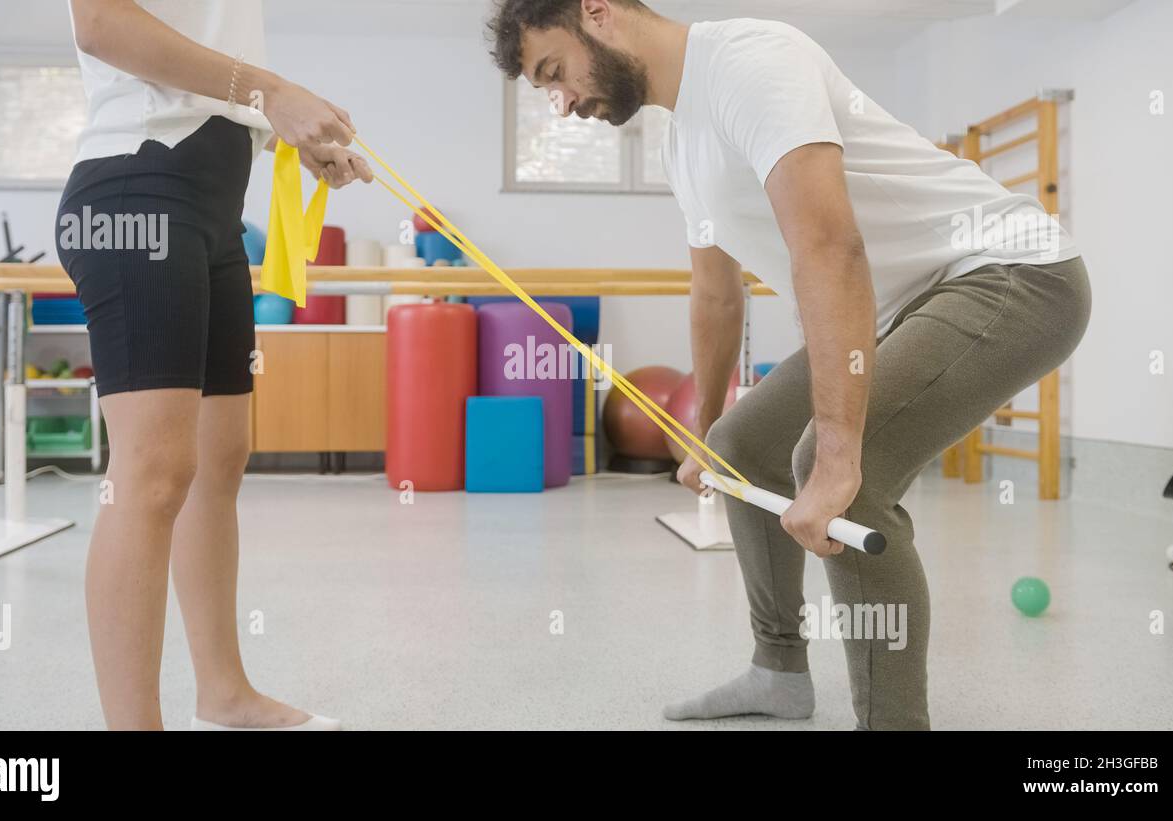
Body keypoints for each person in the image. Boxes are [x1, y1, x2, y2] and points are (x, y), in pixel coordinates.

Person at [485, 0, 1091, 730]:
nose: (563, 102)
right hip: (901, 304)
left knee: (840, 478)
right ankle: (778, 671)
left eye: (555, 72)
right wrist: (704, 428)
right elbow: (715, 295)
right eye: (545, 91)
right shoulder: (682, 144)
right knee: (743, 450)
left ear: (597, 13)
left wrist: (837, 451)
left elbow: (830, 247)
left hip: (1013, 274)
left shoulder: (750, 63)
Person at [58, 0, 372, 730]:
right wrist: (271, 92)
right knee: (153, 468)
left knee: (218, 455)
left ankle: (223, 693)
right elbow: (101, 25)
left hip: (212, 206)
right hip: (136, 189)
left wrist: (279, 131)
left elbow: (200, 75)